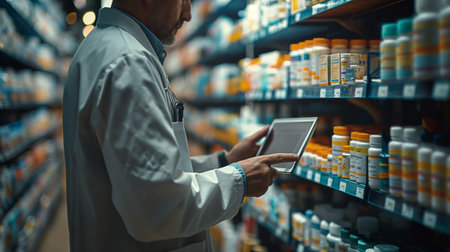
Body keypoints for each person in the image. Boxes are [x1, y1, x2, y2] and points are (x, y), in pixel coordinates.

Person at [62, 0, 299, 251]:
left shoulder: (104, 48)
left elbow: (141, 169)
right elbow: (158, 208)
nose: (187, 14)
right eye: (183, 0)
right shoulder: (128, 63)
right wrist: (239, 180)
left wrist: (224, 162)